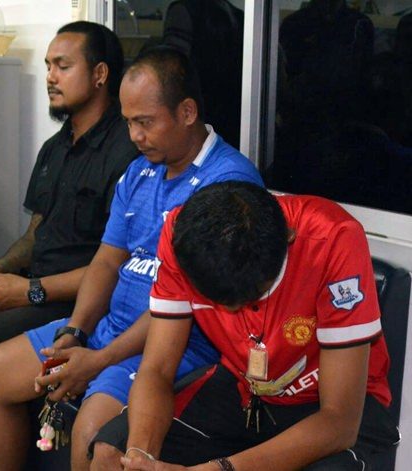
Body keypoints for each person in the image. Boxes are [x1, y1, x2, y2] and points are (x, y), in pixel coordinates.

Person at [0, 47, 264, 471]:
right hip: (111, 327)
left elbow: (183, 306)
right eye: (128, 122)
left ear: (186, 112)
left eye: (145, 122)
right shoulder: (140, 171)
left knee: (92, 436)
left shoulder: (227, 183)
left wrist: (99, 360)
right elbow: (107, 262)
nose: (135, 136)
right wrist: (75, 331)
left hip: (178, 346)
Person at [0, 21, 139, 471]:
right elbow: (36, 232)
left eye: (63, 66)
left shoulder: (125, 151)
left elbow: (116, 263)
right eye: (49, 66)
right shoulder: (55, 148)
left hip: (78, 299)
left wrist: (28, 291)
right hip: (33, 286)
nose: (50, 76)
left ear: (100, 74)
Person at [90, 181, 399, 471]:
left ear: (288, 240)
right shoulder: (184, 235)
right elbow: (157, 369)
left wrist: (222, 468)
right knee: (111, 454)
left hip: (327, 404)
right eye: (217, 299)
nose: (229, 311)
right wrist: (141, 456)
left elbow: (339, 422)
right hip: (245, 387)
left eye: (248, 297)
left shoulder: (333, 237)